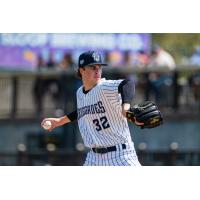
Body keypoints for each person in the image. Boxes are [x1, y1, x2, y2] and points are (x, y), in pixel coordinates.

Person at [41, 51, 142, 166]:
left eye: (99, 67)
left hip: (121, 155)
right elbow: (82, 111)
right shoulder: (80, 92)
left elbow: (127, 84)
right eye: (93, 67)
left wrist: (126, 107)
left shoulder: (103, 87)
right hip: (94, 158)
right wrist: (59, 121)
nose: (97, 70)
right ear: (81, 70)